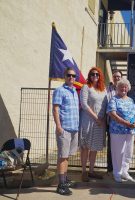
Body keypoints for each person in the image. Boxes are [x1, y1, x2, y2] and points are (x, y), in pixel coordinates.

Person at [106, 78, 135, 183]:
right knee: (118, 153)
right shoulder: (114, 99)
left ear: (128, 88)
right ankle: (117, 173)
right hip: (117, 131)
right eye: (121, 87)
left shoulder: (130, 100)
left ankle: (125, 172)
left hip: (130, 131)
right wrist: (126, 123)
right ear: (117, 88)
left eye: (125, 87)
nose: (123, 88)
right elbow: (112, 114)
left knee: (128, 153)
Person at [52, 67, 79, 195]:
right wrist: (58, 126)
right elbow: (55, 109)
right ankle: (61, 185)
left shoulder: (74, 91)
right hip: (64, 129)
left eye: (74, 76)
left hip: (74, 129)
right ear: (64, 75)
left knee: (66, 156)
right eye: (69, 75)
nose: (71, 78)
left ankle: (65, 179)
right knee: (62, 157)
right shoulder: (60, 90)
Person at [79, 67, 107, 182]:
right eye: (92, 74)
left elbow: (105, 105)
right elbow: (84, 104)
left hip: (99, 123)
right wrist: (96, 117)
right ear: (89, 76)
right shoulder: (86, 87)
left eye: (97, 74)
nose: (94, 76)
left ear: (100, 76)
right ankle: (84, 172)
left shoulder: (103, 89)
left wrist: (102, 119)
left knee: (94, 147)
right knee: (85, 147)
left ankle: (91, 171)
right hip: (88, 120)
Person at [106, 70, 122, 174]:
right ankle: (110, 168)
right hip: (110, 121)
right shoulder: (107, 90)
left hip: (122, 123)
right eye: (115, 76)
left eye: (118, 76)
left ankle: (120, 168)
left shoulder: (124, 89)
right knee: (111, 146)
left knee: (121, 147)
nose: (116, 78)